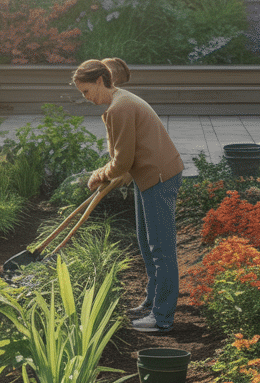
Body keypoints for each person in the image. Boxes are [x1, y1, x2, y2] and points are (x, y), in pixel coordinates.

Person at [72, 57, 184, 333]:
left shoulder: (120, 108)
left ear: (100, 81)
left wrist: (99, 174)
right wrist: (118, 173)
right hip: (148, 175)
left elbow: (122, 162)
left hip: (158, 177)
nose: (86, 98)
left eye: (87, 91)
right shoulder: (120, 101)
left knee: (161, 249)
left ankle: (162, 318)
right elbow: (127, 157)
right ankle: (152, 302)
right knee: (147, 243)